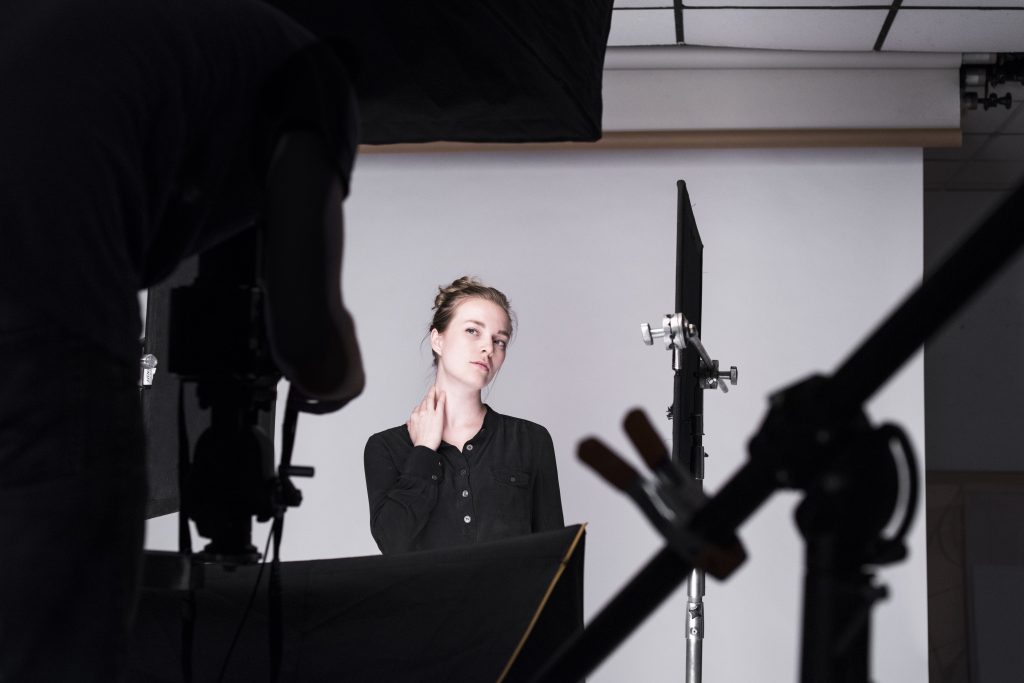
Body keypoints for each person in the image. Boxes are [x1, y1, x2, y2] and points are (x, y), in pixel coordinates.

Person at [0, 1, 363, 680]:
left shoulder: (147, 34)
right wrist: (344, 376)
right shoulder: (312, 74)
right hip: (51, 352)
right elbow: (309, 337)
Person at [364, 277, 564, 554]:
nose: (488, 348)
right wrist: (423, 451)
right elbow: (391, 542)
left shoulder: (531, 440)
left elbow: (555, 556)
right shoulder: (386, 447)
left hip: (515, 599)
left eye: (500, 341)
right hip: (427, 599)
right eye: (473, 331)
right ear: (438, 340)